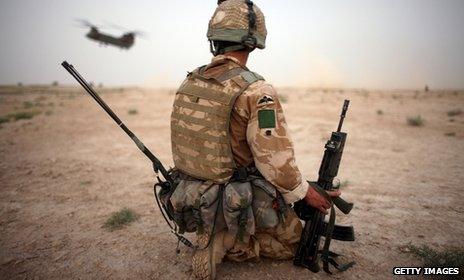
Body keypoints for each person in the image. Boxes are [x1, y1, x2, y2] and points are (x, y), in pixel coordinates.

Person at [169, 0, 341, 279]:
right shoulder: (256, 90)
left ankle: (211, 230)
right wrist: (304, 192)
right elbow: (274, 159)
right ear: (253, 41)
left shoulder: (189, 82)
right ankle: (227, 240)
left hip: (191, 192)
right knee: (294, 244)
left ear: (214, 36)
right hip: (234, 197)